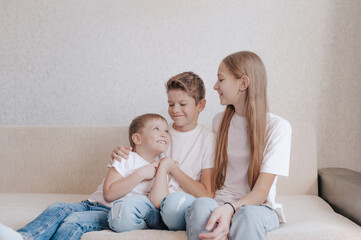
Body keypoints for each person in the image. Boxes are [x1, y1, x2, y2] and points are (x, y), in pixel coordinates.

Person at [0, 113, 170, 240]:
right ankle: (24, 237)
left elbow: (158, 203)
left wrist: (160, 170)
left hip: (112, 214)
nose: (164, 134)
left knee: (75, 221)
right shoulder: (124, 157)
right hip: (90, 204)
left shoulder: (161, 168)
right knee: (58, 207)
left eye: (166, 131)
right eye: (157, 129)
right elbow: (109, 193)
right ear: (137, 139)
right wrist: (140, 174)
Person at [185, 51, 292, 240]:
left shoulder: (278, 128)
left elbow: (261, 192)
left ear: (243, 83)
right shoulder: (219, 121)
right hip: (220, 202)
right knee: (200, 206)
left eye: (221, 79)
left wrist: (230, 209)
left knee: (247, 215)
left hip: (257, 208)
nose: (215, 86)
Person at [108, 72, 215, 232]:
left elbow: (206, 194)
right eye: (171, 104)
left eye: (183, 104)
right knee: (122, 212)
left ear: (201, 105)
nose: (175, 110)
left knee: (172, 204)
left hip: (178, 204)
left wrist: (173, 169)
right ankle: (148, 223)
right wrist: (121, 152)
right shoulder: (160, 133)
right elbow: (135, 156)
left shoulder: (208, 140)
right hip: (149, 202)